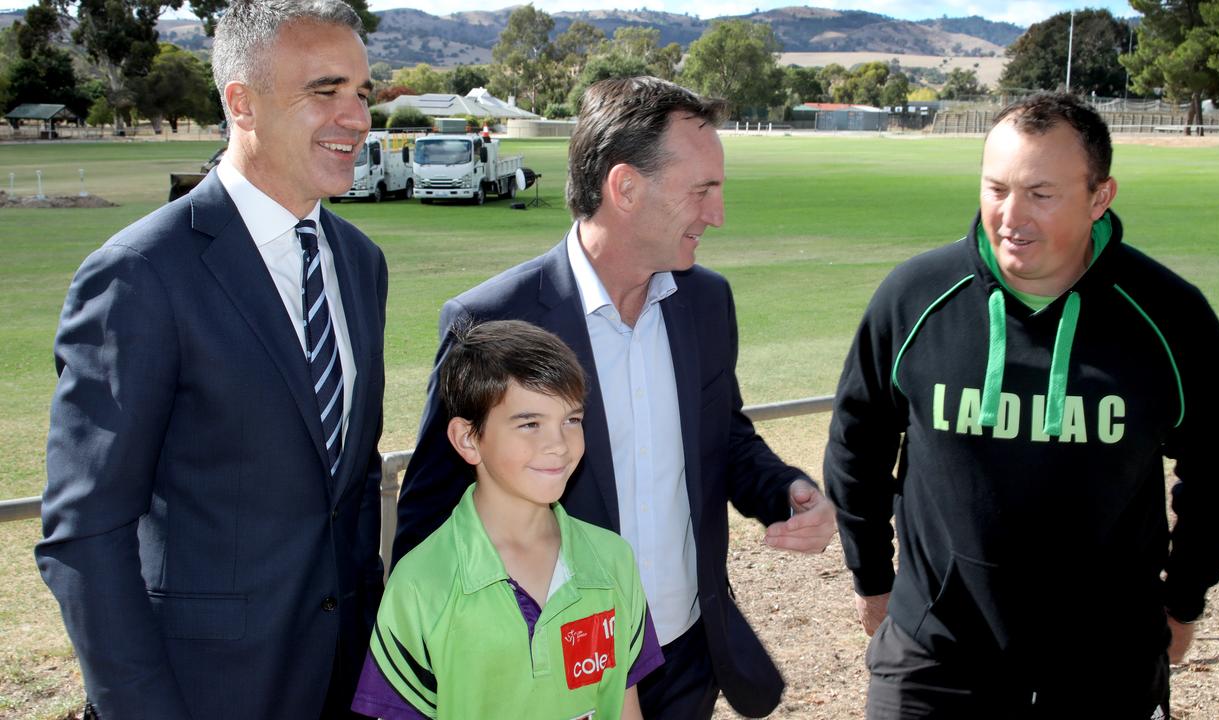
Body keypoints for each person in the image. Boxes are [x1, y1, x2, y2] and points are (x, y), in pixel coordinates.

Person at [393, 76, 837, 719]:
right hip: (554, 679)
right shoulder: (490, 320)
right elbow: (431, 513)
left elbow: (723, 437)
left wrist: (784, 493)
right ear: (625, 188)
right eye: (701, 190)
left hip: (686, 657)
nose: (717, 214)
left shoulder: (707, 304)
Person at [824, 92, 1219, 719]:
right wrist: (873, 577)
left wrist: (1183, 597)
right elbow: (856, 446)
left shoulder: (1169, 314)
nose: (1010, 216)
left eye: (1041, 194)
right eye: (996, 188)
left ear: (1099, 197)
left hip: (1105, 662)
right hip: (934, 657)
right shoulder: (913, 298)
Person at [35, 2, 386, 718]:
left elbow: (345, 493)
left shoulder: (360, 262)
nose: (356, 119)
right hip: (201, 693)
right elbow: (86, 534)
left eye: (362, 93)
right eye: (326, 91)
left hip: (339, 682)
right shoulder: (140, 274)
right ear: (241, 103)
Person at [351, 320, 662, 718]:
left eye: (571, 420)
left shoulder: (613, 560)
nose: (558, 445)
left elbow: (623, 705)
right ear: (468, 439)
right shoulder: (419, 586)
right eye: (531, 424)